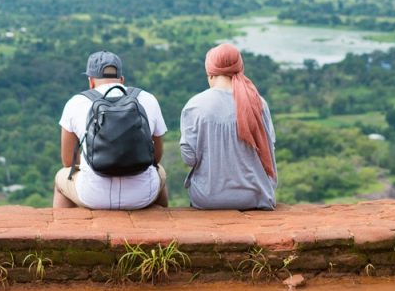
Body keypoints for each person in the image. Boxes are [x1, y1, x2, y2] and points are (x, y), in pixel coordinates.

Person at [55, 50, 168, 209]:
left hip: (93, 196)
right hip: (142, 195)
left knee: (61, 178)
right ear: (121, 80)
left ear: (91, 82)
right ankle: (164, 225)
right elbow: (156, 156)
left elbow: (68, 161)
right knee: (159, 172)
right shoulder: (147, 99)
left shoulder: (75, 103)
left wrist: (98, 158)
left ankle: (61, 229)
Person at [180, 43, 277, 210]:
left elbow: (189, 158)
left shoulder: (195, 105)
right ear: (240, 70)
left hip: (208, 198)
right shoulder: (258, 103)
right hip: (255, 197)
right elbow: (270, 145)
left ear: (210, 74)